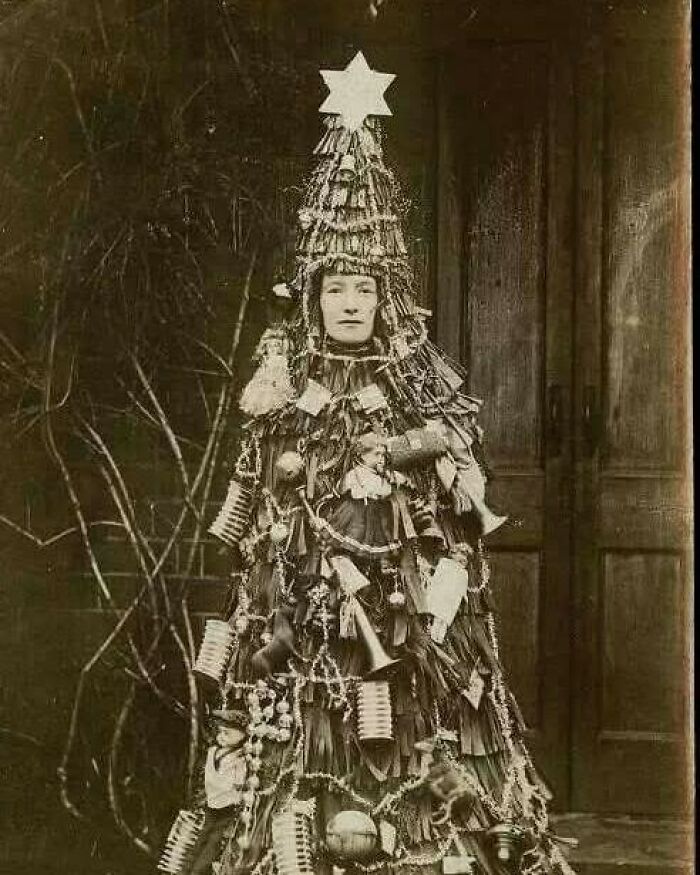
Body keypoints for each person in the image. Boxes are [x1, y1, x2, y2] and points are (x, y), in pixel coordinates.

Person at [158, 53, 574, 875]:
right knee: (309, 732)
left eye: (365, 290)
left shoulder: (418, 392)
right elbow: (262, 540)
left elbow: (456, 525)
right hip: (307, 639)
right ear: (314, 299)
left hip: (402, 631)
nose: (351, 301)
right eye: (336, 288)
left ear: (386, 301)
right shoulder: (282, 396)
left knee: (413, 741)